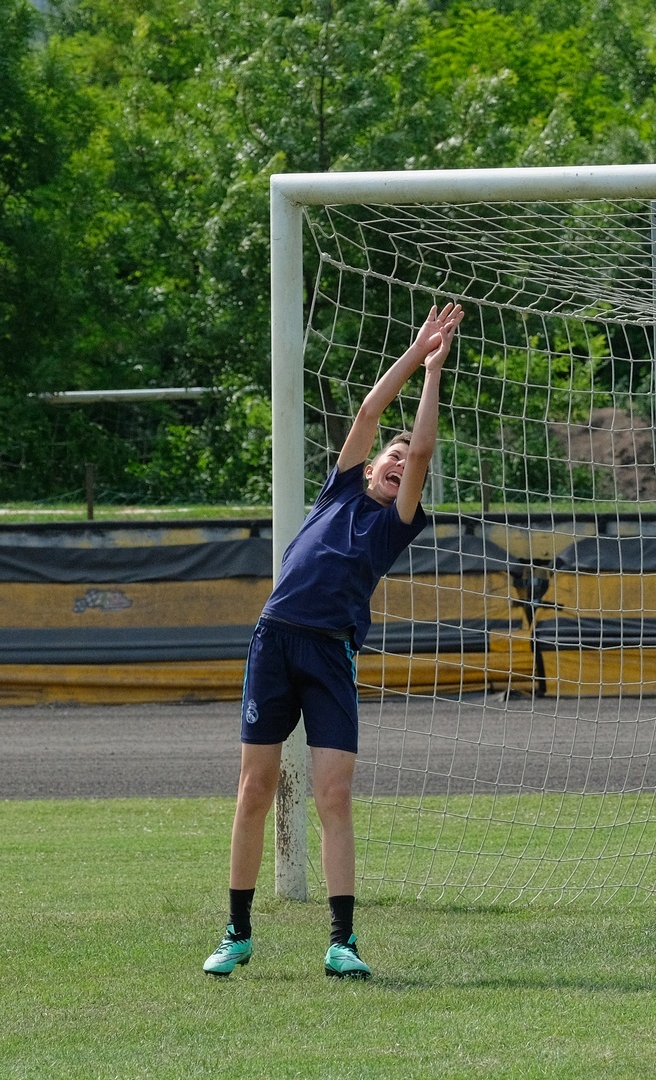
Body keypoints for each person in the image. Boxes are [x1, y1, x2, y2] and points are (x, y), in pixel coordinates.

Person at [203, 301, 465, 979]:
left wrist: (436, 373)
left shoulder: (394, 523)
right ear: (369, 466)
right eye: (390, 457)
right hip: (275, 640)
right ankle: (236, 933)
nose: (399, 462)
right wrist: (415, 351)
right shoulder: (340, 492)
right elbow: (371, 410)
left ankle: (342, 941)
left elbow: (423, 448)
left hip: (329, 653)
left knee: (334, 795)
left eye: (406, 462)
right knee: (254, 788)